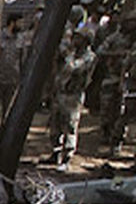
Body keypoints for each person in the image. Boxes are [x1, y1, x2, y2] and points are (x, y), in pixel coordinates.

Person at [49, 29, 97, 169]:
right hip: (60, 93)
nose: (75, 40)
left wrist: (66, 56)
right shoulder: (72, 54)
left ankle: (66, 158)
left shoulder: (90, 57)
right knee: (55, 124)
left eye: (79, 38)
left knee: (69, 126)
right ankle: (55, 153)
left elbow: (75, 68)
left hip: (73, 96)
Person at [96, 15, 136, 155]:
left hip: (130, 81)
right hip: (112, 77)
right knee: (107, 110)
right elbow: (100, 51)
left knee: (123, 112)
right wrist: (117, 54)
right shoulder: (115, 38)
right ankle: (107, 137)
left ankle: (119, 141)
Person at [0, 12, 26, 130]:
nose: (22, 25)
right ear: (12, 23)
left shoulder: (21, 39)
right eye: (20, 22)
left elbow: (22, 59)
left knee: (8, 108)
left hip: (13, 79)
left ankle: (3, 129)